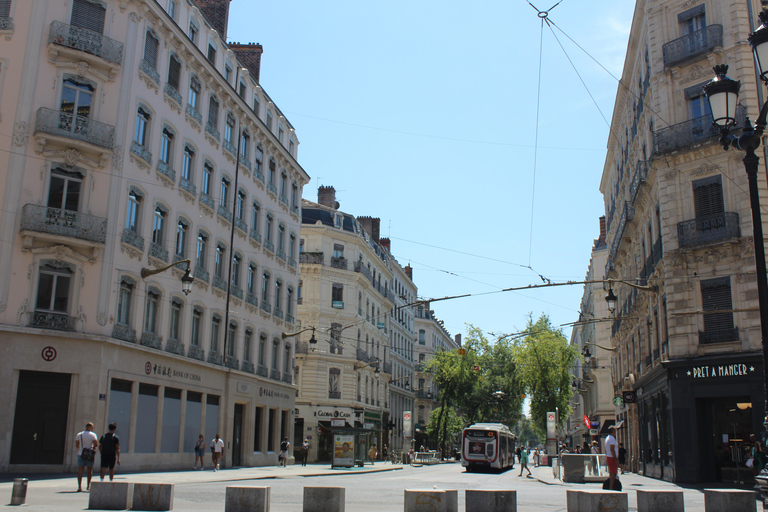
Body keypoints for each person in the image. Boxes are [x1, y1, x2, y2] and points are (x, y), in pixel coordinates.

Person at [75, 422, 98, 492]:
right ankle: (88, 486)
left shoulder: (79, 434)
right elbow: (95, 444)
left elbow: (77, 444)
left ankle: (79, 486)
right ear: (90, 427)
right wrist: (92, 448)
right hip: (89, 454)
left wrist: (80, 449)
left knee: (80, 471)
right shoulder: (93, 435)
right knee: (89, 470)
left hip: (81, 454)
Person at [604, 425, 619, 490]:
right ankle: (611, 487)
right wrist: (615, 459)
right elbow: (612, 449)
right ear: (613, 431)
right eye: (615, 431)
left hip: (608, 456)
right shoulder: (612, 439)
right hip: (611, 457)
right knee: (613, 473)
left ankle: (611, 486)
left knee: (611, 472)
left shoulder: (607, 438)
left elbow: (606, 449)